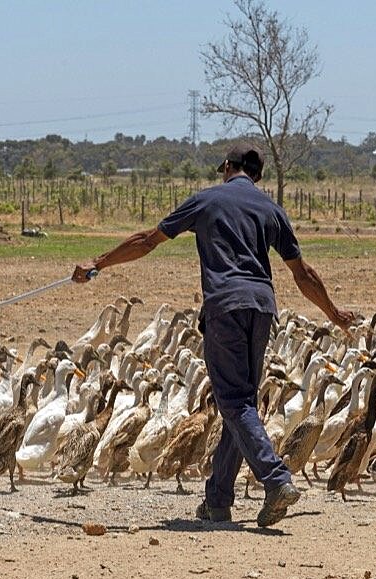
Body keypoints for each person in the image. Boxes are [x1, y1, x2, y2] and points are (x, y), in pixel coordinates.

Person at [73, 143, 354, 527]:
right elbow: (303, 274)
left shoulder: (206, 200)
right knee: (241, 406)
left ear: (228, 167)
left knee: (235, 402)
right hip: (261, 307)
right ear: (256, 175)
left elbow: (147, 240)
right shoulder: (272, 210)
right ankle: (218, 501)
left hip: (225, 306)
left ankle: (275, 479)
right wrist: (334, 314)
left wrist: (98, 262)